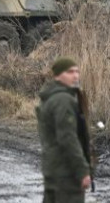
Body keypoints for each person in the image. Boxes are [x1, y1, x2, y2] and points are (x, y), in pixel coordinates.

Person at [36, 57, 93, 203]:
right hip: (66, 174)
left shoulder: (50, 97)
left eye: (77, 72)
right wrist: (82, 171)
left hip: (53, 170)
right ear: (57, 75)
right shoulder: (63, 100)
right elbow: (67, 138)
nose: (75, 76)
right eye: (70, 72)